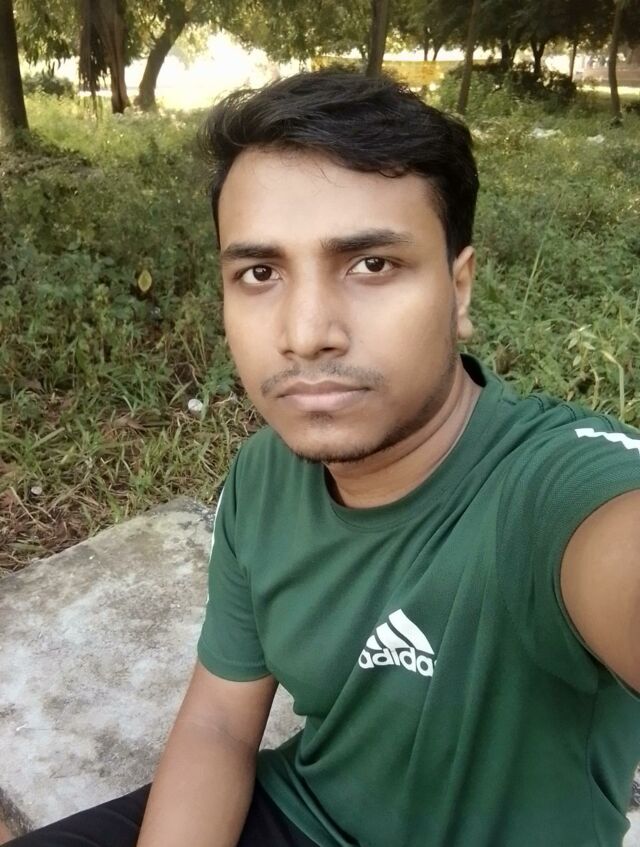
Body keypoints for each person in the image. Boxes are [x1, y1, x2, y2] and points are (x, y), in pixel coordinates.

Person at [8, 69, 640, 847]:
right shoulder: (264, 477)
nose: (307, 333)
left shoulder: (554, 492)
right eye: (260, 273)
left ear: (459, 289)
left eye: (371, 264)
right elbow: (218, 724)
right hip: (298, 812)